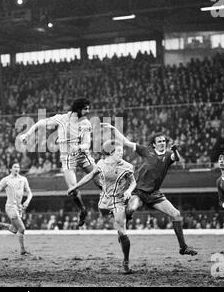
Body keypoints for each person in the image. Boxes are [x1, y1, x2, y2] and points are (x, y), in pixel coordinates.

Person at [101, 123, 197, 256]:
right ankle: (123, 228)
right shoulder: (146, 151)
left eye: (164, 141)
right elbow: (125, 141)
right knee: (132, 208)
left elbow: (177, 158)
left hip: (154, 194)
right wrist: (113, 129)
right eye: (159, 141)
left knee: (176, 214)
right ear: (153, 144)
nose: (162, 143)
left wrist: (174, 150)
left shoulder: (169, 155)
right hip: (139, 192)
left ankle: (183, 247)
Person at [19, 98, 98, 227]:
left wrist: (78, 148)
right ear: (78, 109)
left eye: (88, 108)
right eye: (86, 109)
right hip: (67, 158)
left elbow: (87, 143)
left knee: (100, 178)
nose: (88, 111)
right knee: (73, 188)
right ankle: (83, 210)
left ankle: (112, 205)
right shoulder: (62, 119)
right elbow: (40, 123)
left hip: (83, 156)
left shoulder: (86, 123)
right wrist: (27, 135)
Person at [68, 140, 136, 274]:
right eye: (118, 151)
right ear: (110, 153)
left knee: (122, 231)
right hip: (104, 202)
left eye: (122, 151)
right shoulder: (101, 164)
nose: (121, 153)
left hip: (119, 200)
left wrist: (129, 191)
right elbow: (89, 176)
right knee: (116, 222)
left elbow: (133, 182)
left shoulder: (127, 166)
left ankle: (126, 261)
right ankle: (123, 221)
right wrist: (75, 186)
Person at [0, 163, 33, 255]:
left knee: (14, 230)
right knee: (22, 229)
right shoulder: (6, 180)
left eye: (18, 167)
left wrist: (27, 201)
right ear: (10, 169)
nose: (17, 168)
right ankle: (23, 250)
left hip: (19, 208)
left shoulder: (23, 179)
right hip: (10, 207)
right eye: (15, 167)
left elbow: (30, 193)